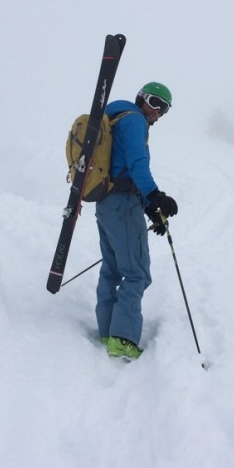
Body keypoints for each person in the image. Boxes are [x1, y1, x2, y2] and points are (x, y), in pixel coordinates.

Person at [95, 82, 178, 360]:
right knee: (137, 273)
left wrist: (150, 209)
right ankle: (122, 338)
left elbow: (122, 170)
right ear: (142, 99)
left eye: (164, 108)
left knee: (112, 267)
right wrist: (155, 195)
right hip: (122, 206)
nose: (158, 112)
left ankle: (108, 331)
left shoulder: (116, 118)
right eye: (155, 103)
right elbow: (137, 164)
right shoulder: (133, 121)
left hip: (107, 203)